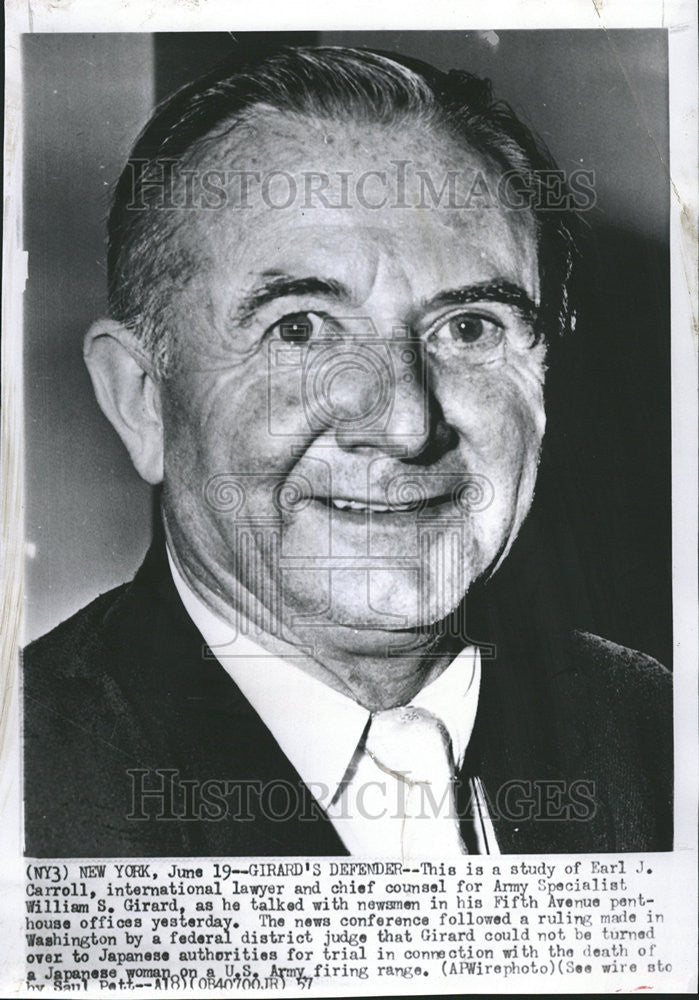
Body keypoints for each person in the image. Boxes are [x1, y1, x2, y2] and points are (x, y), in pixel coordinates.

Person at [23, 45, 672, 858]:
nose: (403, 425)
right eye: (298, 329)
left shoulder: (657, 735)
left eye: (469, 328)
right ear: (142, 399)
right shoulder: (29, 779)